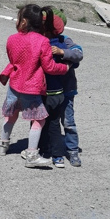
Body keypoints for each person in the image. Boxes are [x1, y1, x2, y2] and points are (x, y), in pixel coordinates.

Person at [0, 4, 69, 168]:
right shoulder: (43, 41)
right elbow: (49, 67)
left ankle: (3, 145)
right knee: (39, 120)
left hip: (14, 84)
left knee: (10, 116)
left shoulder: (12, 38)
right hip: (32, 87)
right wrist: (64, 68)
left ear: (24, 21)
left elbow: (12, 60)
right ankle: (31, 155)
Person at [37, 13, 83, 168]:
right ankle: (46, 148)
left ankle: (72, 150)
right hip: (48, 91)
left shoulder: (64, 40)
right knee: (48, 121)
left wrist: (62, 52)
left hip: (67, 90)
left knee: (68, 122)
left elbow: (78, 54)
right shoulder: (40, 40)